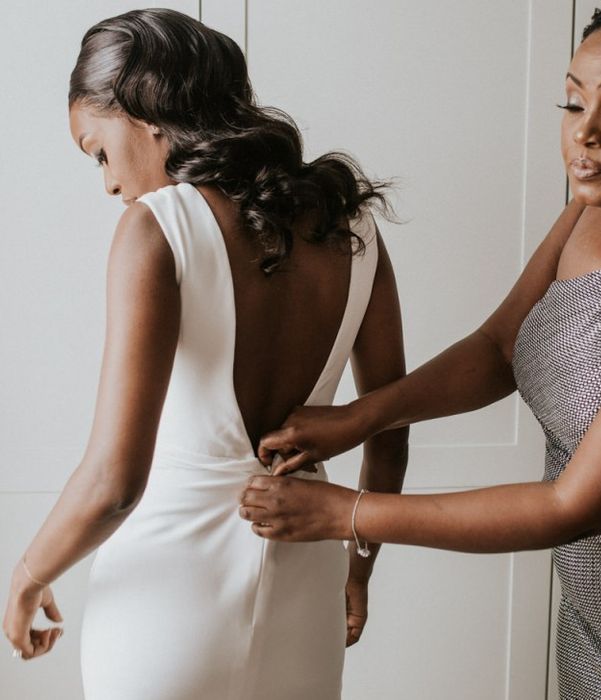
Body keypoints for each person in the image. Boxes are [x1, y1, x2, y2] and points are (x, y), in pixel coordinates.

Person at [241, 1, 601, 696]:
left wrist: (347, 513)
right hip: (597, 628)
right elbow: (500, 347)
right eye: (572, 101)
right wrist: (363, 416)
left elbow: (574, 505)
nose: (584, 135)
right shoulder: (591, 207)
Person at [1, 9, 411, 700]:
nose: (107, 183)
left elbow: (115, 481)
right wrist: (358, 571)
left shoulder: (157, 227)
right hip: (306, 589)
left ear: (144, 112)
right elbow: (388, 430)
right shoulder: (352, 229)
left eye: (98, 149)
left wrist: (27, 577)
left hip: (165, 607)